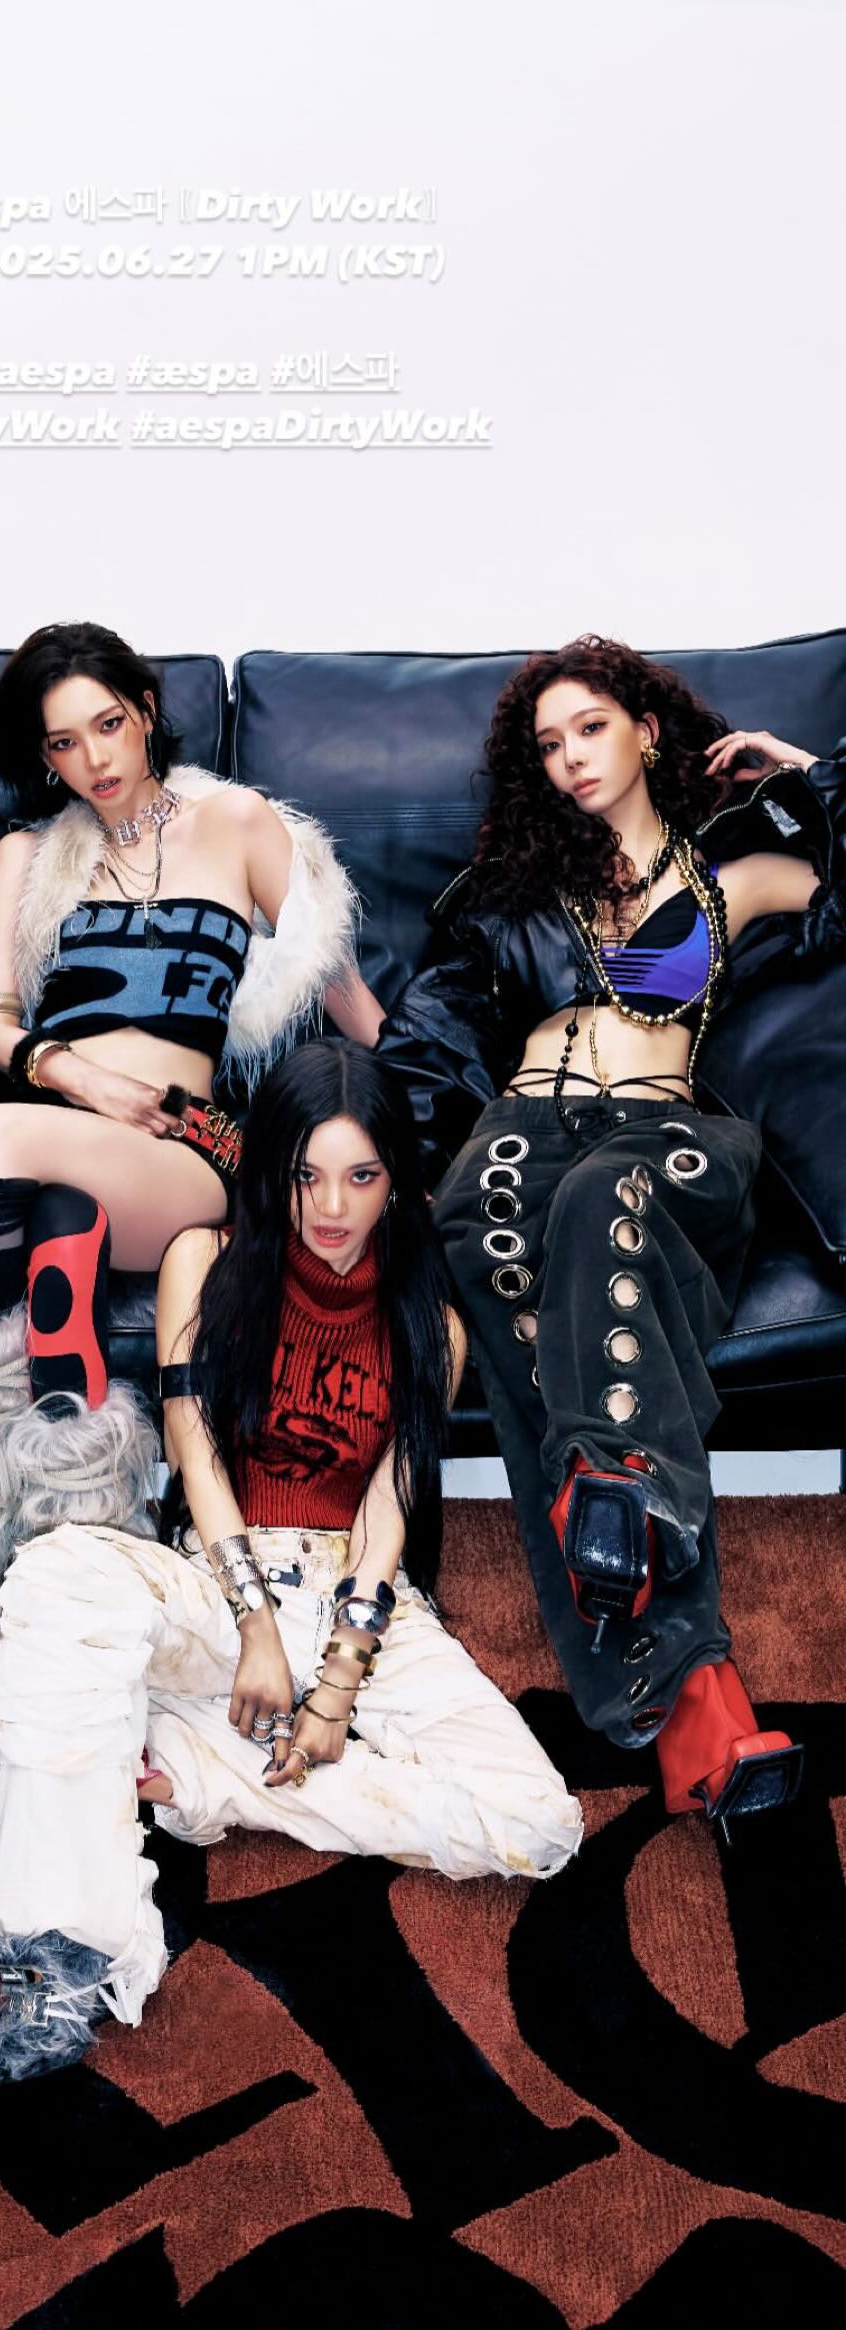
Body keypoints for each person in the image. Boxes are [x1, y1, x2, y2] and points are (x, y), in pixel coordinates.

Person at [0, 1040, 583, 2087]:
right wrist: (253, 1627)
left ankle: (205, 1771)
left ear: (396, 1178)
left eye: (361, 1176)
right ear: (272, 1172)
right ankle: (58, 1957)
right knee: (58, 1575)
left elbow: (388, 1506)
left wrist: (335, 1688)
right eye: (305, 1175)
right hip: (220, 1577)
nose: (331, 1207)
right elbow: (194, 1447)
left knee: (541, 1822)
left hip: (360, 1596)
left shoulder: (430, 1321)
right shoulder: (206, 1259)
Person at [378, 633, 845, 1832]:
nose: (572, 757)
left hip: (663, 1141)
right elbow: (431, 1041)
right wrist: (400, 1169)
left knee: (603, 1202)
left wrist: (809, 774)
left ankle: (614, 1492)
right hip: (521, 1131)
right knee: (487, 1219)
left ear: (647, 728)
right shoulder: (504, 898)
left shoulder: (736, 872)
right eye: (549, 744)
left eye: (591, 727)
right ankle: (697, 1698)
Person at [0, 621, 384, 1662]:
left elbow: (341, 989)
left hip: (186, 1142)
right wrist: (84, 1077)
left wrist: (425, 1117)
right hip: (68, 1133)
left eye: (107, 725)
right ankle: (75, 1525)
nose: (93, 759)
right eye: (63, 743)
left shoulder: (239, 824)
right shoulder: (28, 857)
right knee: (61, 1218)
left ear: (144, 712)